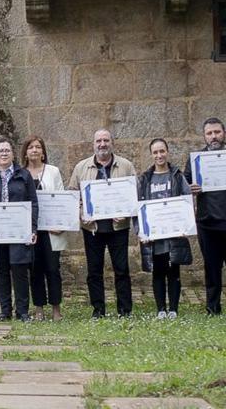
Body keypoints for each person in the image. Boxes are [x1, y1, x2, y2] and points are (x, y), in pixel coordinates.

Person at [68, 129, 136, 318]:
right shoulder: (82, 167)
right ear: (93, 144)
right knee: (94, 271)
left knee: (122, 270)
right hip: (92, 228)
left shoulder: (126, 166)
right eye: (99, 140)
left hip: (118, 227)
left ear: (112, 142)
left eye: (106, 140)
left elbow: (133, 195)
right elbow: (73, 197)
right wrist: (83, 214)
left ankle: (125, 310)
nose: (102, 144)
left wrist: (126, 213)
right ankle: (98, 309)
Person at [183, 118, 226, 317]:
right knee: (212, 269)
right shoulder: (196, 160)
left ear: (224, 132)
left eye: (217, 132)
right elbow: (185, 185)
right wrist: (190, 189)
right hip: (207, 222)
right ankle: (212, 308)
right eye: (209, 133)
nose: (213, 136)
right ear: (204, 136)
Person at [0, 137, 38, 321]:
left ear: (13, 154)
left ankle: (23, 311)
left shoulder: (24, 175)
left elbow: (33, 203)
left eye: (7, 150)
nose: (4, 153)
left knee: (20, 270)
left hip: (18, 231)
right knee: (1, 271)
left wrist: (32, 228)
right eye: (0, 151)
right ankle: (5, 311)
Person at [138, 138, 193, 319]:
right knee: (158, 271)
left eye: (162, 151)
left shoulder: (177, 176)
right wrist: (141, 231)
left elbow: (188, 201)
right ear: (151, 154)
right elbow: (138, 206)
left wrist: (187, 226)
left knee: (173, 271)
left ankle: (174, 309)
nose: (159, 155)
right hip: (154, 236)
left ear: (167, 152)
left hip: (174, 233)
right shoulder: (146, 179)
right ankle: (161, 308)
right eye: (155, 152)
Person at [21, 135, 67, 321]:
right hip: (30, 230)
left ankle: (56, 308)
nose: (34, 150)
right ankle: (39, 308)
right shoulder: (20, 173)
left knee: (53, 269)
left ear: (43, 151)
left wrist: (61, 224)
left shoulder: (53, 172)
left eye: (38, 147)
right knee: (35, 269)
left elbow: (62, 199)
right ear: (25, 152)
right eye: (30, 147)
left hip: (51, 230)